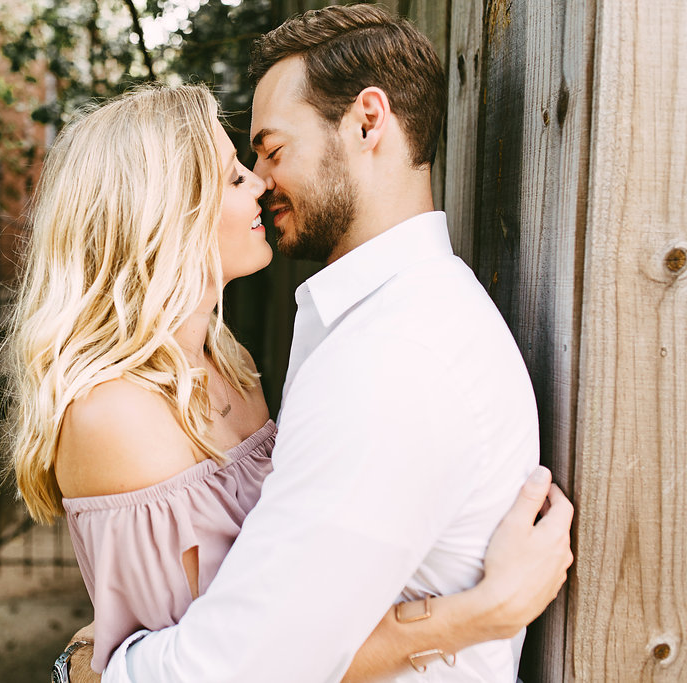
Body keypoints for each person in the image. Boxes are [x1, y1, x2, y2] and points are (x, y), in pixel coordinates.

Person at [36, 5, 571, 682]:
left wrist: (89, 667)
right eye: (242, 166)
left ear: (367, 122)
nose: (260, 181)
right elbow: (276, 642)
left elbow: (244, 663)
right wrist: (480, 611)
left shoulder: (393, 360)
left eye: (270, 149)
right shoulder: (363, 331)